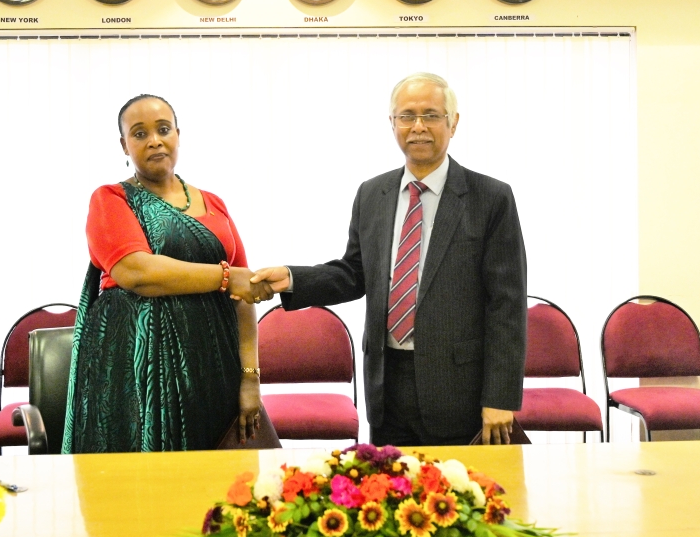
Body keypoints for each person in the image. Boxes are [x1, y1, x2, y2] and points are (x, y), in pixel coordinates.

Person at [250, 73, 527, 446]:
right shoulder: (372, 194)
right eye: (406, 116)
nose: (418, 127)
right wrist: (292, 278)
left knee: (454, 500)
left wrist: (500, 398)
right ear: (392, 123)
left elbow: (507, 306)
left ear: (453, 122)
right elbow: (354, 273)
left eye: (431, 115)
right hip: (386, 386)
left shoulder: (490, 198)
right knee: (391, 496)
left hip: (459, 389)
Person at [62, 94, 274, 453]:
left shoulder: (214, 203)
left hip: (212, 369)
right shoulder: (111, 199)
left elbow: (244, 294)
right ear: (124, 145)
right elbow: (137, 271)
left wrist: (250, 379)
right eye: (140, 133)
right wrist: (225, 277)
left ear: (178, 134)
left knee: (216, 489)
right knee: (141, 488)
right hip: (134, 372)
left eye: (163, 130)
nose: (155, 141)